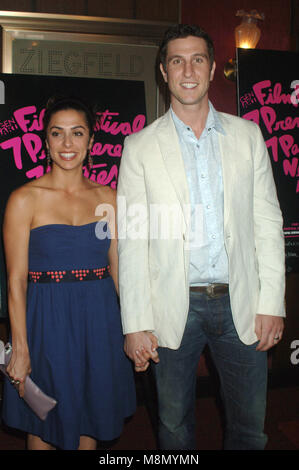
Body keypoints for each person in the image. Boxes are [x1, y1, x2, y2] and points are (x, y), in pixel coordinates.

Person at [117, 24, 285, 450]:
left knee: (250, 428)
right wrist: (135, 323)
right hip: (173, 306)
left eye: (197, 59)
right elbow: (133, 240)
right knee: (174, 429)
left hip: (241, 302)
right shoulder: (139, 146)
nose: (187, 69)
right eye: (177, 60)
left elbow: (267, 223)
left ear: (211, 69)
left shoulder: (248, 136)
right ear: (163, 71)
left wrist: (272, 303)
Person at [1, 96, 136, 450]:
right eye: (57, 133)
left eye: (77, 133)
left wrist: (137, 325)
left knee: (90, 418)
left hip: (99, 320)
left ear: (91, 140)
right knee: (42, 419)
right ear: (45, 141)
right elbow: (15, 280)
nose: (67, 144)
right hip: (47, 323)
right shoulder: (24, 199)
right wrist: (20, 347)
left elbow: (119, 269)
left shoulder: (110, 197)